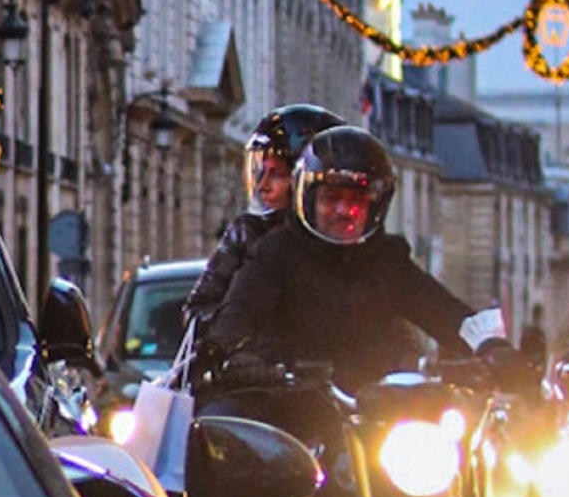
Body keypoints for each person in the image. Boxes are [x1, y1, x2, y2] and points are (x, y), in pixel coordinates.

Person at [196, 124, 501, 395]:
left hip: (377, 411)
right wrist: (233, 351)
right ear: (309, 199)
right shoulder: (276, 252)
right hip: (292, 404)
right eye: (332, 198)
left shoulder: (389, 258)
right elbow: (241, 308)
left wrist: (492, 347)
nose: (343, 210)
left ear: (376, 207)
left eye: (356, 201)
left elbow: (441, 308)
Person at [182, 104, 337, 364]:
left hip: (340, 383)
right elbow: (197, 311)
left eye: (277, 174)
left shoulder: (349, 241)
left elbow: (391, 320)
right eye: (261, 173)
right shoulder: (249, 233)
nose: (263, 186)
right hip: (256, 380)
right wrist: (240, 335)